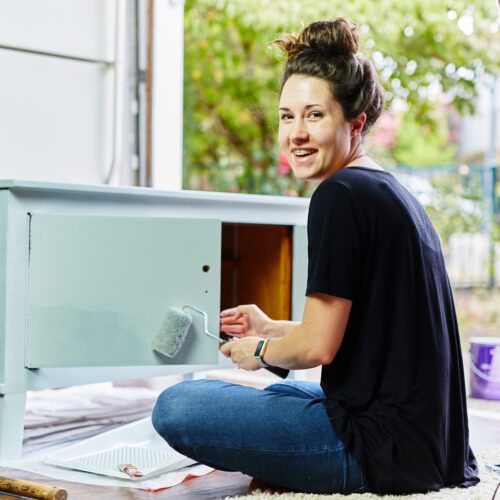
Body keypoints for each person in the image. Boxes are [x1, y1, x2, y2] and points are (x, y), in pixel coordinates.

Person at [152, 18, 479, 494]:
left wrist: (258, 351)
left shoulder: (340, 195)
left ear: (356, 123)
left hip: (379, 451)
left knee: (178, 404)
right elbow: (363, 333)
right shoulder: (389, 192)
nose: (296, 133)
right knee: (284, 390)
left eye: (314, 115)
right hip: (433, 445)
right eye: (287, 116)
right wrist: (271, 328)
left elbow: (318, 349)